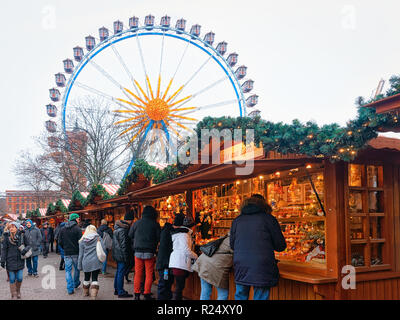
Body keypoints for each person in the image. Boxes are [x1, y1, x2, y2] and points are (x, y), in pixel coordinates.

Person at [230, 194, 286, 300]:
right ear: (264, 205)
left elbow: (232, 245)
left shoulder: (237, 220)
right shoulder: (269, 219)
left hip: (241, 265)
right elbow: (280, 245)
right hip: (262, 266)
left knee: (241, 295)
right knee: (260, 296)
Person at [130, 205, 161, 300]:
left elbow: (130, 235)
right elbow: (159, 237)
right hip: (149, 252)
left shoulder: (136, 223)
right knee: (149, 273)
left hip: (138, 252)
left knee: (138, 273)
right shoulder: (155, 224)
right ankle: (147, 293)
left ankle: (137, 294)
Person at [192, 232, 233, 300]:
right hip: (216, 268)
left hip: (204, 264)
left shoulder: (224, 238)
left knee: (205, 291)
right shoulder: (236, 242)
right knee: (223, 294)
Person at [169, 213, 198, 300]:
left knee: (178, 286)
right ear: (191, 227)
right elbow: (186, 250)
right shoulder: (185, 235)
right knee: (179, 286)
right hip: (180, 263)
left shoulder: (180, 234)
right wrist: (196, 256)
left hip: (176, 261)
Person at [1, 222, 30, 299]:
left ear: (17, 228)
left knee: (20, 278)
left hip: (19, 260)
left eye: (13, 227)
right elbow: (4, 250)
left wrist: (24, 250)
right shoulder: (6, 237)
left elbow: (29, 245)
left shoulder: (22, 235)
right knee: (12, 278)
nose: (11, 228)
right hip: (10, 260)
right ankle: (13, 294)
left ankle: (18, 291)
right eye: (10, 227)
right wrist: (2, 260)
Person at [78, 225, 105, 300]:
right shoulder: (98, 238)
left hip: (86, 261)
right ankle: (93, 295)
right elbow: (103, 248)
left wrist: (79, 266)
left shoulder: (82, 240)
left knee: (86, 277)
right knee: (95, 278)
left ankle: (86, 293)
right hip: (96, 261)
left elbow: (81, 254)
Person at [59, 213, 82, 295]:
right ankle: (75, 283)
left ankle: (70, 289)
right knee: (77, 269)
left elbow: (60, 242)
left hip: (67, 253)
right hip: (76, 252)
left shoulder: (62, 229)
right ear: (75, 219)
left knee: (68, 271)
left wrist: (65, 248)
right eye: (78, 219)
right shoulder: (77, 229)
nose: (79, 220)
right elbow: (81, 242)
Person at [112, 218, 133, 298]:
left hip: (117, 253)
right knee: (120, 272)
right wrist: (126, 257)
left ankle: (117, 289)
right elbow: (123, 245)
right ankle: (120, 291)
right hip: (121, 254)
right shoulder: (123, 230)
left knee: (118, 272)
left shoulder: (116, 229)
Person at [156, 222, 174, 300]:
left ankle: (164, 296)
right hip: (165, 264)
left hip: (163, 263)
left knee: (164, 281)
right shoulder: (168, 235)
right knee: (165, 281)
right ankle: (163, 297)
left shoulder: (163, 234)